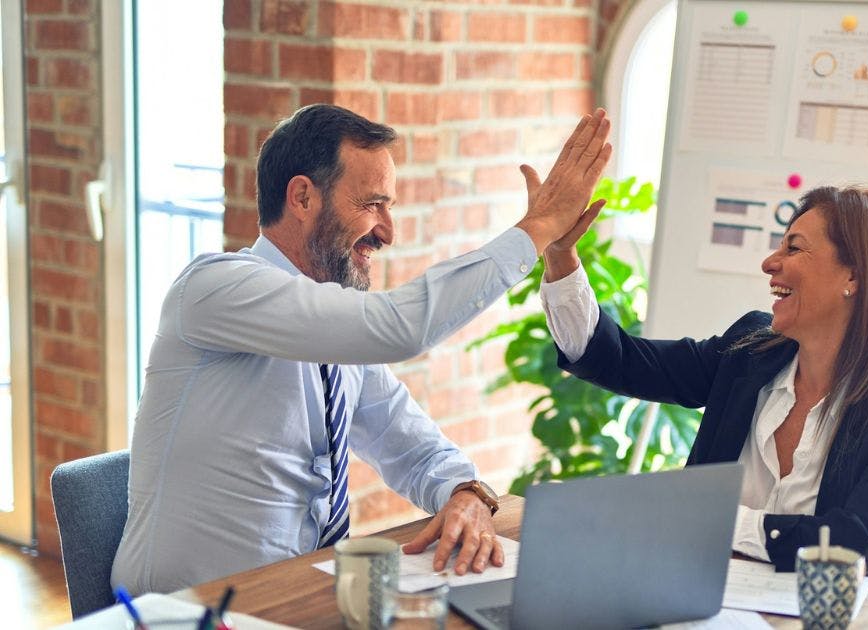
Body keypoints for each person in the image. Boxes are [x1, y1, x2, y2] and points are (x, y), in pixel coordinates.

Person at [112, 104, 612, 594]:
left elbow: (411, 445)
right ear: (303, 198)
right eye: (373, 204)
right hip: (184, 613)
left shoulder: (335, 335)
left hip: (296, 598)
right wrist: (539, 228)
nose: (387, 232)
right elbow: (400, 328)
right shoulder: (215, 288)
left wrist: (465, 492)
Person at [539, 185, 868, 582]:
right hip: (702, 601)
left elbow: (854, 545)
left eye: (793, 247)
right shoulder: (750, 352)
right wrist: (560, 255)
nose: (770, 263)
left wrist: (711, 520)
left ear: (854, 277)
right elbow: (620, 360)